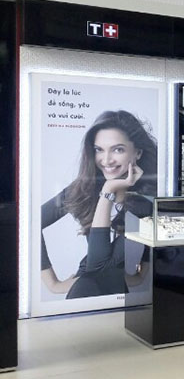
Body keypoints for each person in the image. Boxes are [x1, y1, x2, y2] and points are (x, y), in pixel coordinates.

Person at [40, 110, 157, 299]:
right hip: (84, 292)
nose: (106, 160)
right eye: (99, 149)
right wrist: (53, 284)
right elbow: (30, 222)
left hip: (120, 295)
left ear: (138, 152)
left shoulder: (145, 202)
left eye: (118, 149)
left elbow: (102, 266)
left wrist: (141, 273)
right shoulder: (82, 189)